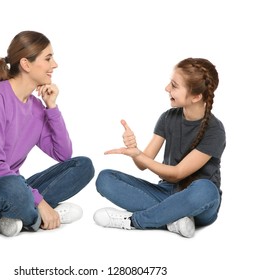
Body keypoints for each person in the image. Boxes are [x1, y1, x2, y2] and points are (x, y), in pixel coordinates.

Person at [0, 31, 94, 237]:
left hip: (12, 188)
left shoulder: (35, 107)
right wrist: (40, 201)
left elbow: (63, 155)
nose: (55, 65)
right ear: (26, 64)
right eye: (48, 58)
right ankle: (39, 216)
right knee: (13, 185)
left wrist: (51, 108)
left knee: (83, 165)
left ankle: (14, 217)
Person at [93, 58, 225, 238]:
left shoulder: (215, 130)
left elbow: (177, 173)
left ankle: (135, 221)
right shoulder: (168, 118)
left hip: (197, 203)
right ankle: (173, 220)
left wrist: (141, 156)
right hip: (166, 193)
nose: (167, 89)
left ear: (196, 96)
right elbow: (143, 163)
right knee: (105, 178)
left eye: (174, 85)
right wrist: (134, 151)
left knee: (206, 189)